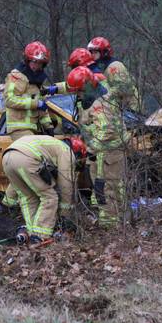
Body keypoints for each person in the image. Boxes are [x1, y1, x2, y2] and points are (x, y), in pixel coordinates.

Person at [66, 66, 128, 227]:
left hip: (109, 152)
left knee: (107, 189)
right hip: (100, 153)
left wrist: (91, 148)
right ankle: (111, 221)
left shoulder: (100, 103)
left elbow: (107, 130)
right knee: (101, 188)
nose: (77, 95)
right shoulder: (91, 98)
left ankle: (111, 226)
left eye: (79, 91)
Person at [1, 135, 86, 244]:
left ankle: (31, 234)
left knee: (27, 197)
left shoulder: (51, 145)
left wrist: (8, 200)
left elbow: (19, 177)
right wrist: (65, 213)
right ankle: (40, 236)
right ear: (77, 153)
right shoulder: (66, 151)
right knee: (50, 197)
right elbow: (66, 184)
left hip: (7, 158)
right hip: (27, 159)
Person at [4, 41, 56, 139]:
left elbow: (42, 108)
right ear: (28, 60)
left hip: (34, 129)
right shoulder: (16, 76)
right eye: (34, 61)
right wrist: (35, 104)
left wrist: (48, 126)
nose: (37, 65)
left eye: (40, 63)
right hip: (18, 128)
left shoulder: (37, 80)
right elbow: (9, 100)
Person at [87, 36, 141, 112]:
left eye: (95, 52)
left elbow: (125, 88)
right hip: (117, 108)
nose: (92, 55)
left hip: (130, 108)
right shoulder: (99, 66)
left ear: (104, 53)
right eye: (91, 52)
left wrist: (105, 96)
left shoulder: (114, 66)